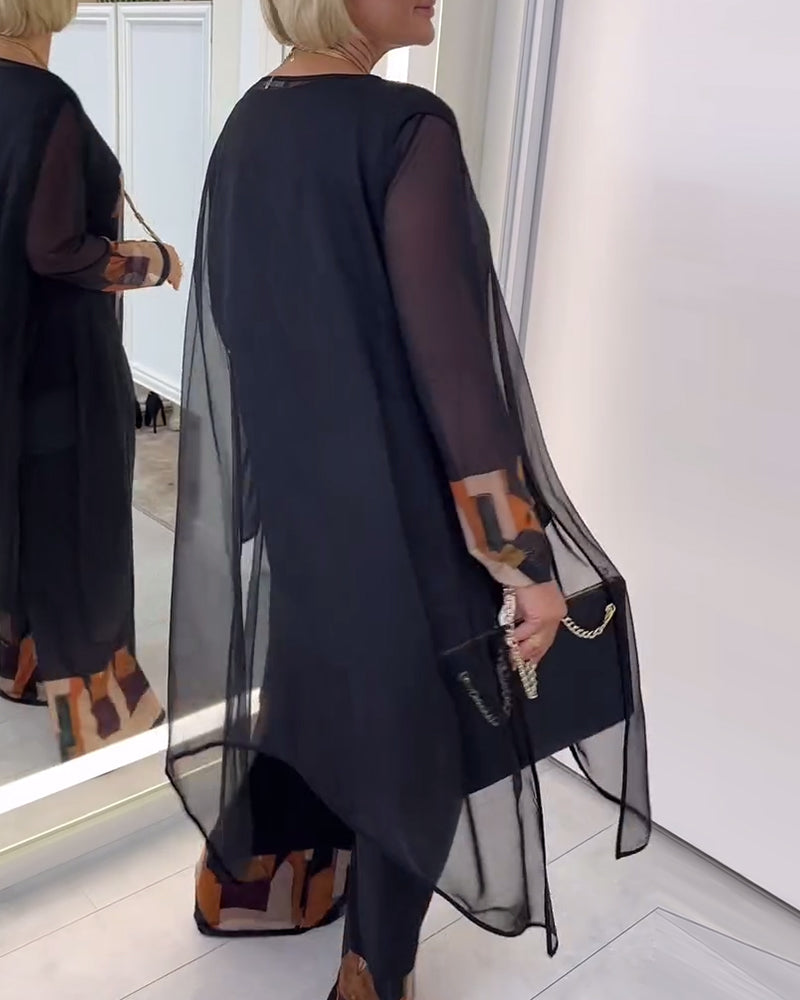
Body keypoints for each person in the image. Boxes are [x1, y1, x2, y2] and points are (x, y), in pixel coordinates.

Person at [167, 2, 651, 998]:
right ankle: (373, 971)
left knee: (314, 693)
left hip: (304, 507)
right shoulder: (405, 130)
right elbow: (459, 382)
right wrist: (522, 562)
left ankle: (258, 876)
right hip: (403, 521)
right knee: (416, 740)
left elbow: (237, 324)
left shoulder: (248, 124)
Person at [0, 0, 181, 762]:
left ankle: (19, 665)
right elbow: (56, 250)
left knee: (20, 508)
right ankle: (101, 714)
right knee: (80, 521)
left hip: (10, 352)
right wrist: (154, 262)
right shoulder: (48, 101)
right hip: (61, 358)